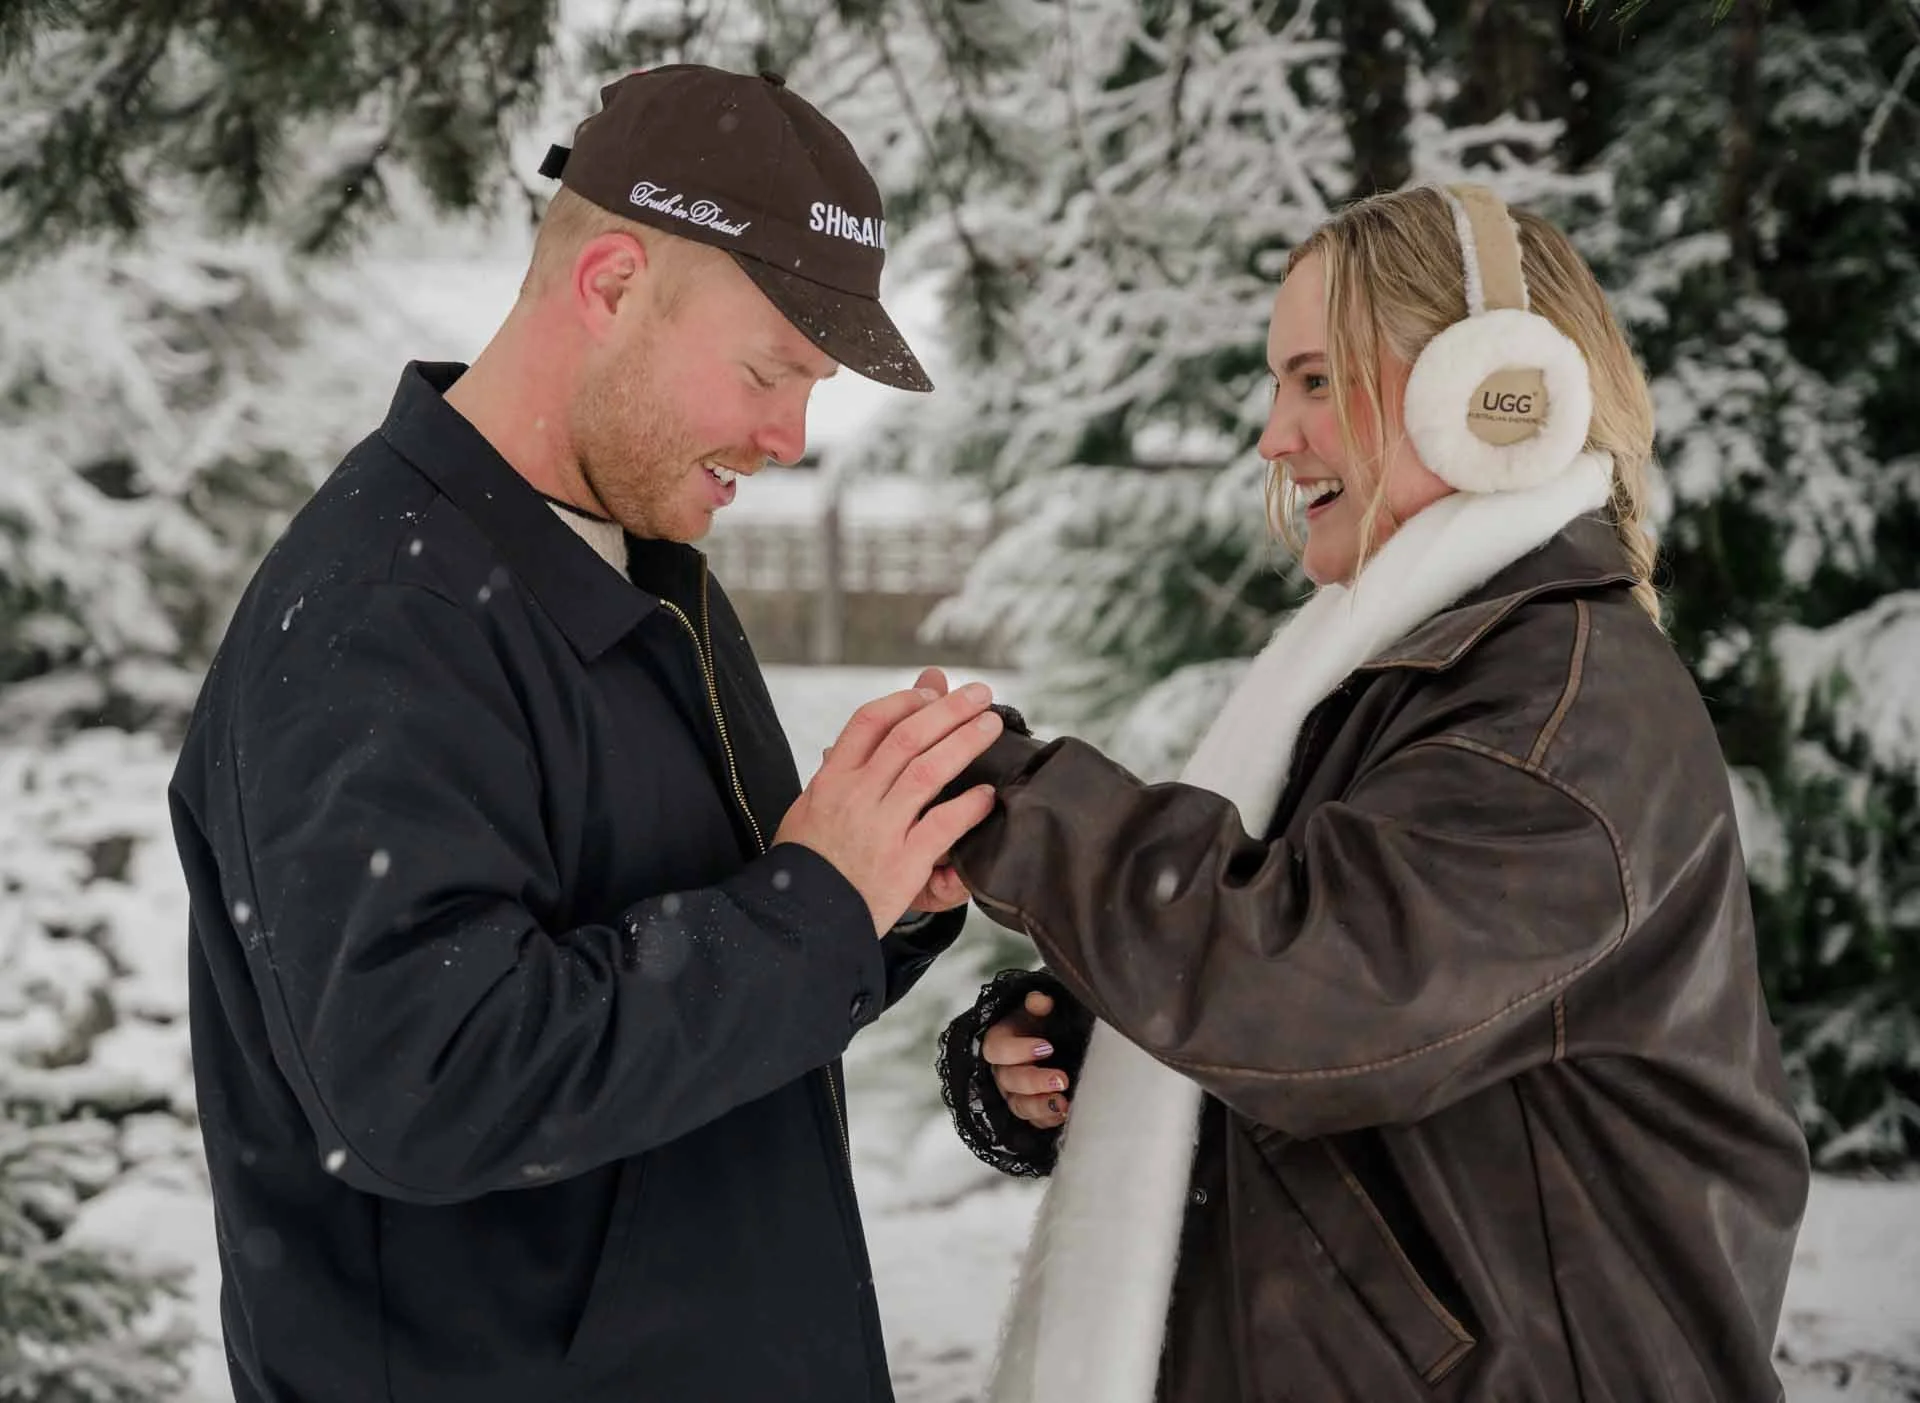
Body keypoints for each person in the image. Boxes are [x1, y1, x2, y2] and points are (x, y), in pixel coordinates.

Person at [169, 65, 1004, 1403]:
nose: (791, 435)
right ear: (611, 283)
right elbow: (428, 1080)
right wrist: (814, 904)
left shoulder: (640, 571)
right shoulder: (381, 616)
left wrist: (875, 894)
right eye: (769, 369)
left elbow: (696, 957)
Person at [934, 184, 1811, 1403]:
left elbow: (1310, 988)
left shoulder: (1563, 709)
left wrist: (1012, 803)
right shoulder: (1404, 682)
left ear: (1488, 398)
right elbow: (1333, 1016)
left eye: (1312, 378)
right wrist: (1088, 1046)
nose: (1273, 438)